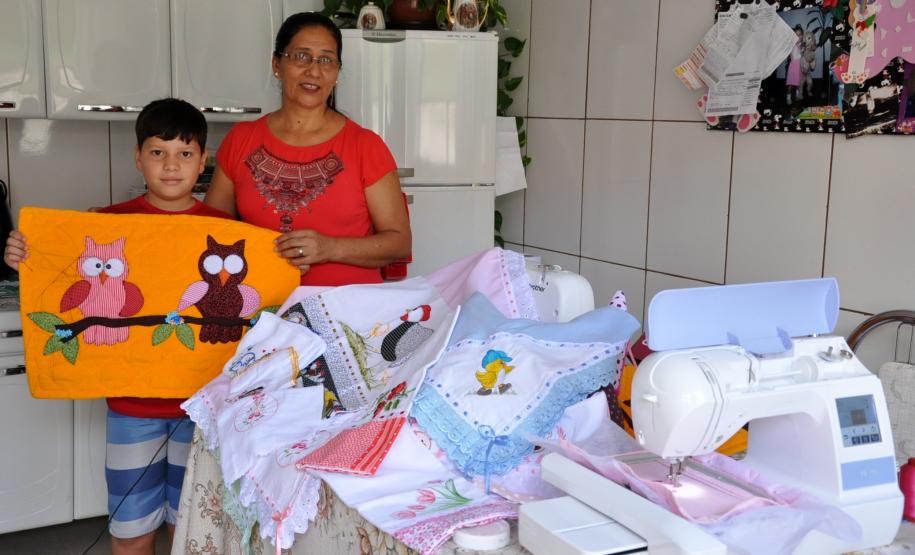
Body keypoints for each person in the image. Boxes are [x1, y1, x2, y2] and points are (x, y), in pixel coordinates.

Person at [4, 98, 233, 555]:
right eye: (157, 152)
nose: (171, 166)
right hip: (132, 411)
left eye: (185, 154)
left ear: (202, 161)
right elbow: (60, 270)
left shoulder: (229, 232)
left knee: (194, 534)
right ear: (138, 157)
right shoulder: (106, 224)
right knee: (130, 534)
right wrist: (23, 255)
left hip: (205, 412)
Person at [204, 11, 411, 286]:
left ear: (337, 72)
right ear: (277, 64)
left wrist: (329, 248)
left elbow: (399, 243)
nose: (314, 71)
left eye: (326, 60)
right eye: (301, 56)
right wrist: (264, 253)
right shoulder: (241, 140)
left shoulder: (365, 146)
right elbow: (212, 230)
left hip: (347, 316)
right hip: (262, 310)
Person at [786, 25, 804, 105]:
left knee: (798, 82)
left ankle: (797, 93)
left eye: (799, 34)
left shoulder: (801, 44)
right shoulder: (792, 45)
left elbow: (803, 54)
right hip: (793, 66)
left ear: (802, 35)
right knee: (791, 83)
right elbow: (792, 55)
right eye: (796, 35)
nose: (798, 36)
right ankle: (788, 96)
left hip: (799, 66)